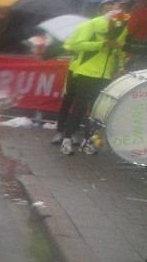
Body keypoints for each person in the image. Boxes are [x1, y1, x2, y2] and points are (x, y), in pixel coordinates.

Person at [54, 8, 128, 155]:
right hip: (85, 72)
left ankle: (88, 140)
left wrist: (120, 65)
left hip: (105, 75)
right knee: (80, 106)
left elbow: (120, 50)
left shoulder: (121, 29)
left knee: (97, 110)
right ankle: (67, 138)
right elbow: (76, 45)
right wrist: (101, 44)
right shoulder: (90, 25)